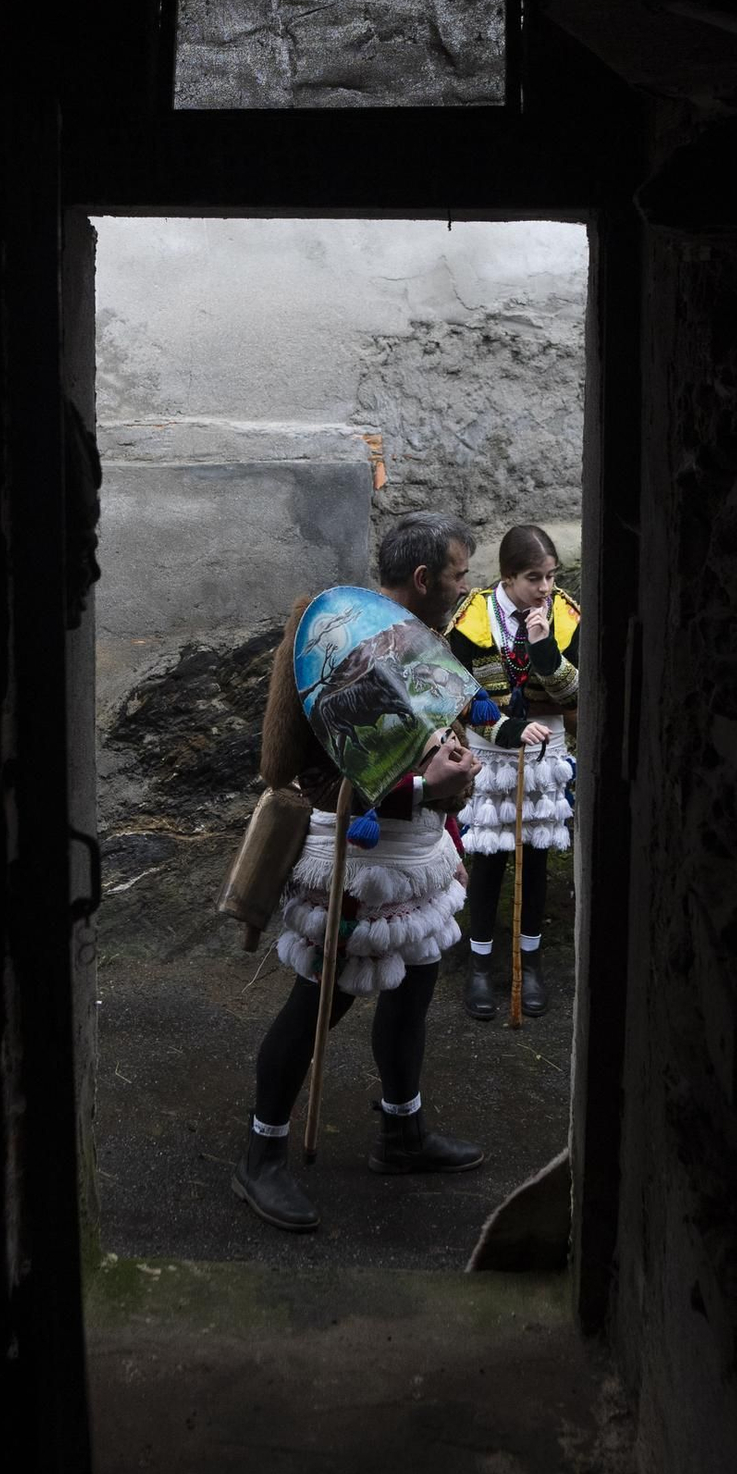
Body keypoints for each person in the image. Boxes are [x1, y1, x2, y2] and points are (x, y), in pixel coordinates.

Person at [234, 511, 490, 1235]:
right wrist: (415, 789)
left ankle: (400, 1134)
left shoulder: (429, 640)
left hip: (417, 857)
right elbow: (286, 768)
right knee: (319, 1004)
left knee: (413, 992)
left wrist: (456, 781)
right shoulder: (322, 633)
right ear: (422, 578)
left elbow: (446, 739)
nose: (465, 587)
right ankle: (261, 1153)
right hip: (352, 858)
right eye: (457, 574)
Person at [446, 523, 580, 1020]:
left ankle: (532, 963)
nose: (546, 588)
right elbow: (455, 688)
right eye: (533, 578)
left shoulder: (564, 614)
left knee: (536, 858)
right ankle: (480, 965)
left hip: (545, 753)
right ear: (507, 577)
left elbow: (573, 697)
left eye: (551, 576)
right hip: (492, 753)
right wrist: (503, 729)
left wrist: (545, 650)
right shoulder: (472, 618)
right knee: (489, 861)